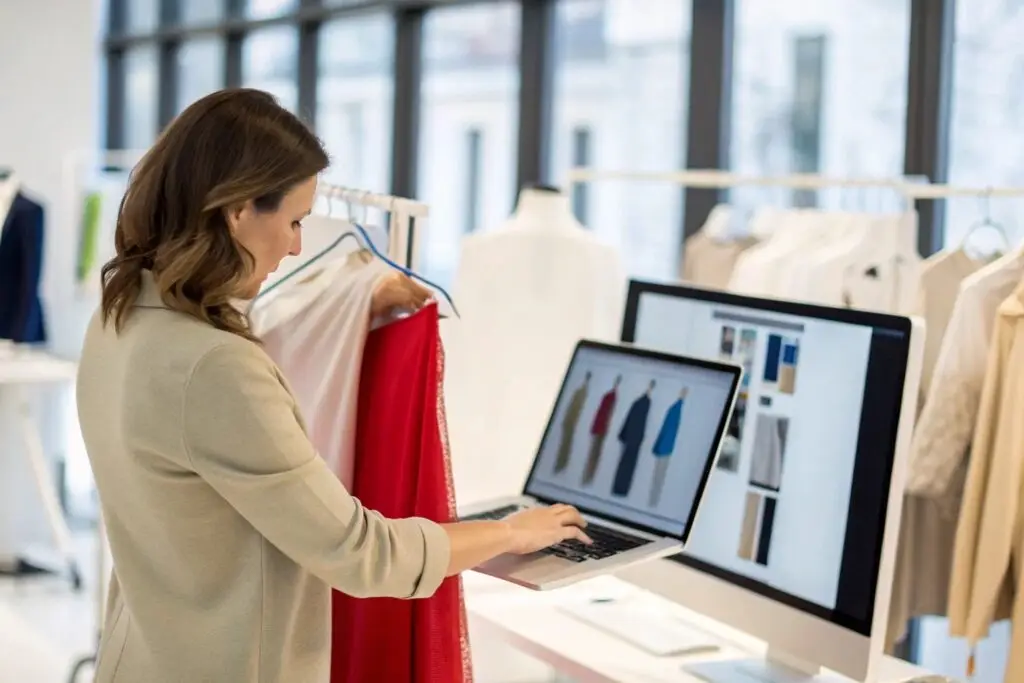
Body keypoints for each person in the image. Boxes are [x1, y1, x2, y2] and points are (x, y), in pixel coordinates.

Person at [76, 88, 591, 683]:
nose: (297, 245)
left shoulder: (120, 318)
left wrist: (351, 303)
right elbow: (361, 554)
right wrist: (509, 531)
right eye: (293, 220)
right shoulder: (213, 366)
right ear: (238, 210)